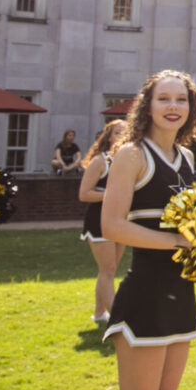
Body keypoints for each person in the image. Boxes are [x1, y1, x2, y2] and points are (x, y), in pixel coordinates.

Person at [101, 70, 196, 390]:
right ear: (148, 105)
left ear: (192, 108)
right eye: (164, 99)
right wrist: (176, 241)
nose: (173, 107)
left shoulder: (187, 158)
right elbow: (111, 225)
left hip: (181, 295)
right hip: (144, 294)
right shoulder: (131, 155)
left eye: (181, 99)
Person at [79, 119, 128, 325]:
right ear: (108, 137)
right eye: (118, 133)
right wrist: (111, 195)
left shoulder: (129, 160)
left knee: (111, 269)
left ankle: (99, 313)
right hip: (99, 219)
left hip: (121, 219)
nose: (122, 137)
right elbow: (84, 194)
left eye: (126, 133)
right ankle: (117, 318)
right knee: (107, 268)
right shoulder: (100, 161)